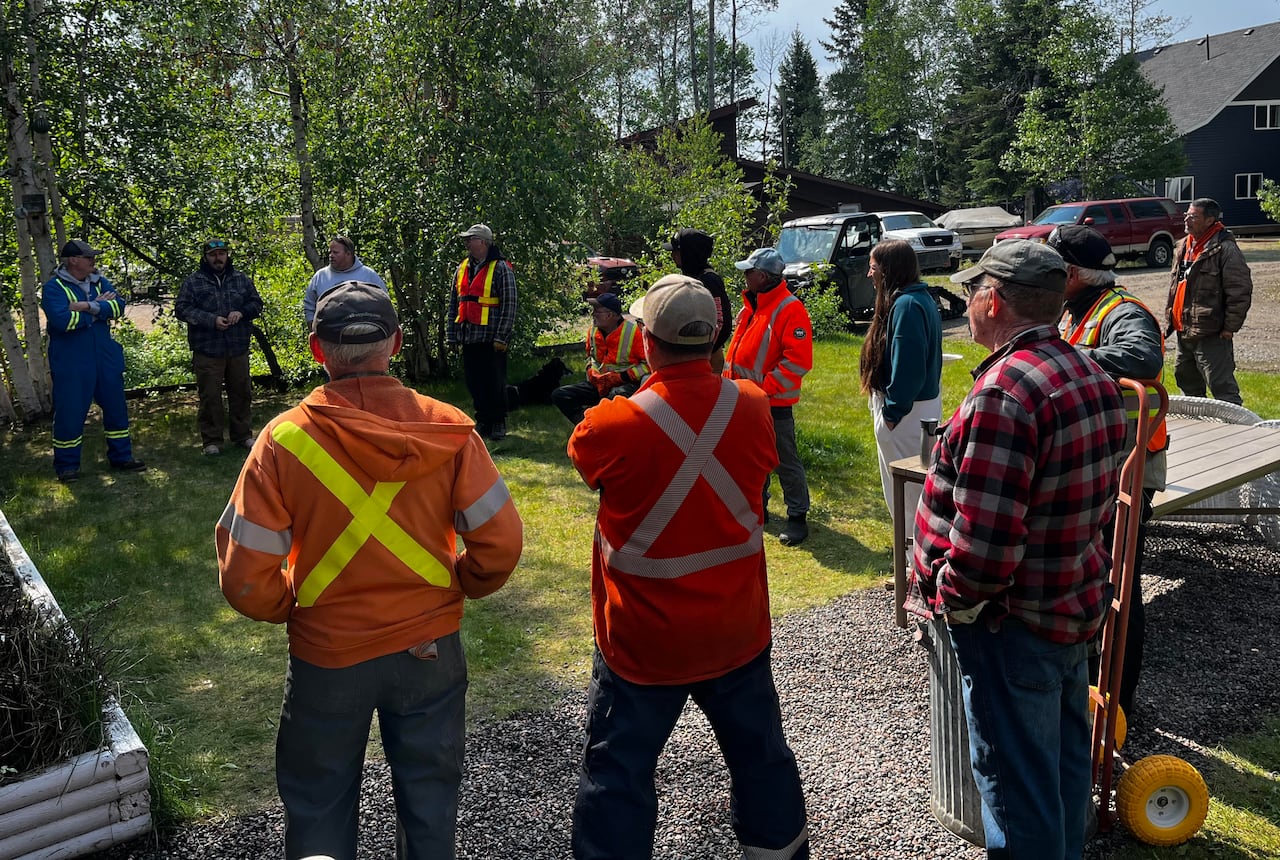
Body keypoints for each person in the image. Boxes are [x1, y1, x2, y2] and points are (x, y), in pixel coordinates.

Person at [216, 281, 522, 860]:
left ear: (315, 350)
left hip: (328, 654)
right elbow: (500, 543)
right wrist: (466, 581)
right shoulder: (449, 428)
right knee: (430, 802)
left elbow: (246, 575)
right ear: (397, 344)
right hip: (429, 646)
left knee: (319, 803)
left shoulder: (284, 441)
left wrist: (292, 608)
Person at [568, 274, 809, 860]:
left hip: (643, 643)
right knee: (762, 759)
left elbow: (587, 460)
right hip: (735, 631)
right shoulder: (752, 407)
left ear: (646, 341)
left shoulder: (611, 424)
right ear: (716, 334)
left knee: (618, 775)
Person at [907, 240, 1128, 859]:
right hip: (1067, 609)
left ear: (993, 299)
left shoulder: (1006, 392)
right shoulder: (1089, 371)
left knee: (1017, 791)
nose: (967, 303)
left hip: (1013, 625)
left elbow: (987, 540)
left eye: (972, 291)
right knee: (1059, 774)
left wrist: (956, 603)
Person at [1051, 224, 1168, 717]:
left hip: (1126, 469)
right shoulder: (1075, 310)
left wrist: (1065, 356)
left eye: (1054, 266)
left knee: (1120, 585)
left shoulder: (1124, 313)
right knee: (1090, 576)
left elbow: (1142, 359)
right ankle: (1088, 687)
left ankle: (1118, 705)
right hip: (1094, 462)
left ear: (1074, 273)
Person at [724, 247, 813, 547]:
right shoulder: (752, 306)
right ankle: (757, 508)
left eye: (748, 271)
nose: (744, 276)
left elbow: (797, 362)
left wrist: (762, 390)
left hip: (771, 404)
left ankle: (798, 517)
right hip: (743, 399)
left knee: (784, 461)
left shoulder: (790, 308)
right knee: (751, 459)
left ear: (761, 276)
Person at [40, 239, 147, 483]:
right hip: (72, 362)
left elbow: (118, 306)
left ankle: (122, 457)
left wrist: (86, 306)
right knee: (70, 412)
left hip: (105, 357)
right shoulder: (54, 288)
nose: (93, 261)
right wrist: (98, 310)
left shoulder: (99, 281)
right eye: (88, 257)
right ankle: (67, 466)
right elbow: (63, 322)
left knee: (116, 408)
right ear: (73, 260)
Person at [858, 238, 943, 517]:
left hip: (905, 414)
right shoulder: (914, 299)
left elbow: (909, 367)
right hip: (911, 410)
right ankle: (910, 551)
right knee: (908, 491)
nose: (870, 274)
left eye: (873, 268)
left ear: (888, 269)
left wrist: (892, 413)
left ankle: (910, 555)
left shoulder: (907, 304)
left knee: (906, 494)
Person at [175, 238, 264, 455]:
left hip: (237, 347)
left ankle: (243, 435)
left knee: (242, 392)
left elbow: (256, 304)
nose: (218, 258)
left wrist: (241, 312)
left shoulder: (241, 279)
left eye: (222, 254)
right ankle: (212, 440)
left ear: (227, 256)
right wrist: (210, 320)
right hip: (207, 349)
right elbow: (182, 309)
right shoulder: (194, 282)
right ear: (205, 257)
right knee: (210, 396)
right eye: (213, 255)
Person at [1164, 197, 1253, 405]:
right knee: (1187, 383)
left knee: (1222, 388)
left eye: (1193, 216)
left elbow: (1240, 291)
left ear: (1210, 220)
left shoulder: (1225, 249)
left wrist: (1230, 327)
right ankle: (1199, 430)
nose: (1186, 219)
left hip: (1211, 332)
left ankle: (1237, 433)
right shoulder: (1182, 246)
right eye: (1186, 214)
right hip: (1183, 328)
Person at [447, 223, 517, 441]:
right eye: (467, 239)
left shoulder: (501, 268)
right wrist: (452, 334)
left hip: (491, 338)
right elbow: (453, 304)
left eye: (472, 239)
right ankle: (483, 419)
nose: (467, 242)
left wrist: (502, 336)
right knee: (474, 381)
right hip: (469, 336)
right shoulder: (462, 269)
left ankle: (498, 421)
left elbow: (510, 304)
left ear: (484, 242)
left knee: (494, 381)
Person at [551, 292, 648, 425]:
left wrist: (622, 377)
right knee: (560, 395)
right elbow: (590, 357)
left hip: (625, 385)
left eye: (597, 311)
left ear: (610, 315)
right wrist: (591, 371)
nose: (593, 315)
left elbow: (648, 365)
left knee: (612, 399)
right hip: (599, 384)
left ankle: (597, 425)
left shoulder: (634, 333)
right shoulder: (592, 331)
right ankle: (587, 425)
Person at [664, 228, 733, 371]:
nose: (672, 255)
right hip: (692, 358)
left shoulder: (709, 280)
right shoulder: (692, 277)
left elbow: (722, 323)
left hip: (708, 358)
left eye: (675, 251)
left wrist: (704, 351)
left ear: (688, 253)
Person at [301, 235, 387, 326]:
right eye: (330, 252)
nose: (331, 256)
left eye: (335, 252)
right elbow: (309, 307)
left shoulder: (369, 276)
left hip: (364, 335)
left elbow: (384, 304)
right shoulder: (320, 277)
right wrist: (314, 330)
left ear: (348, 254)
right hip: (328, 336)